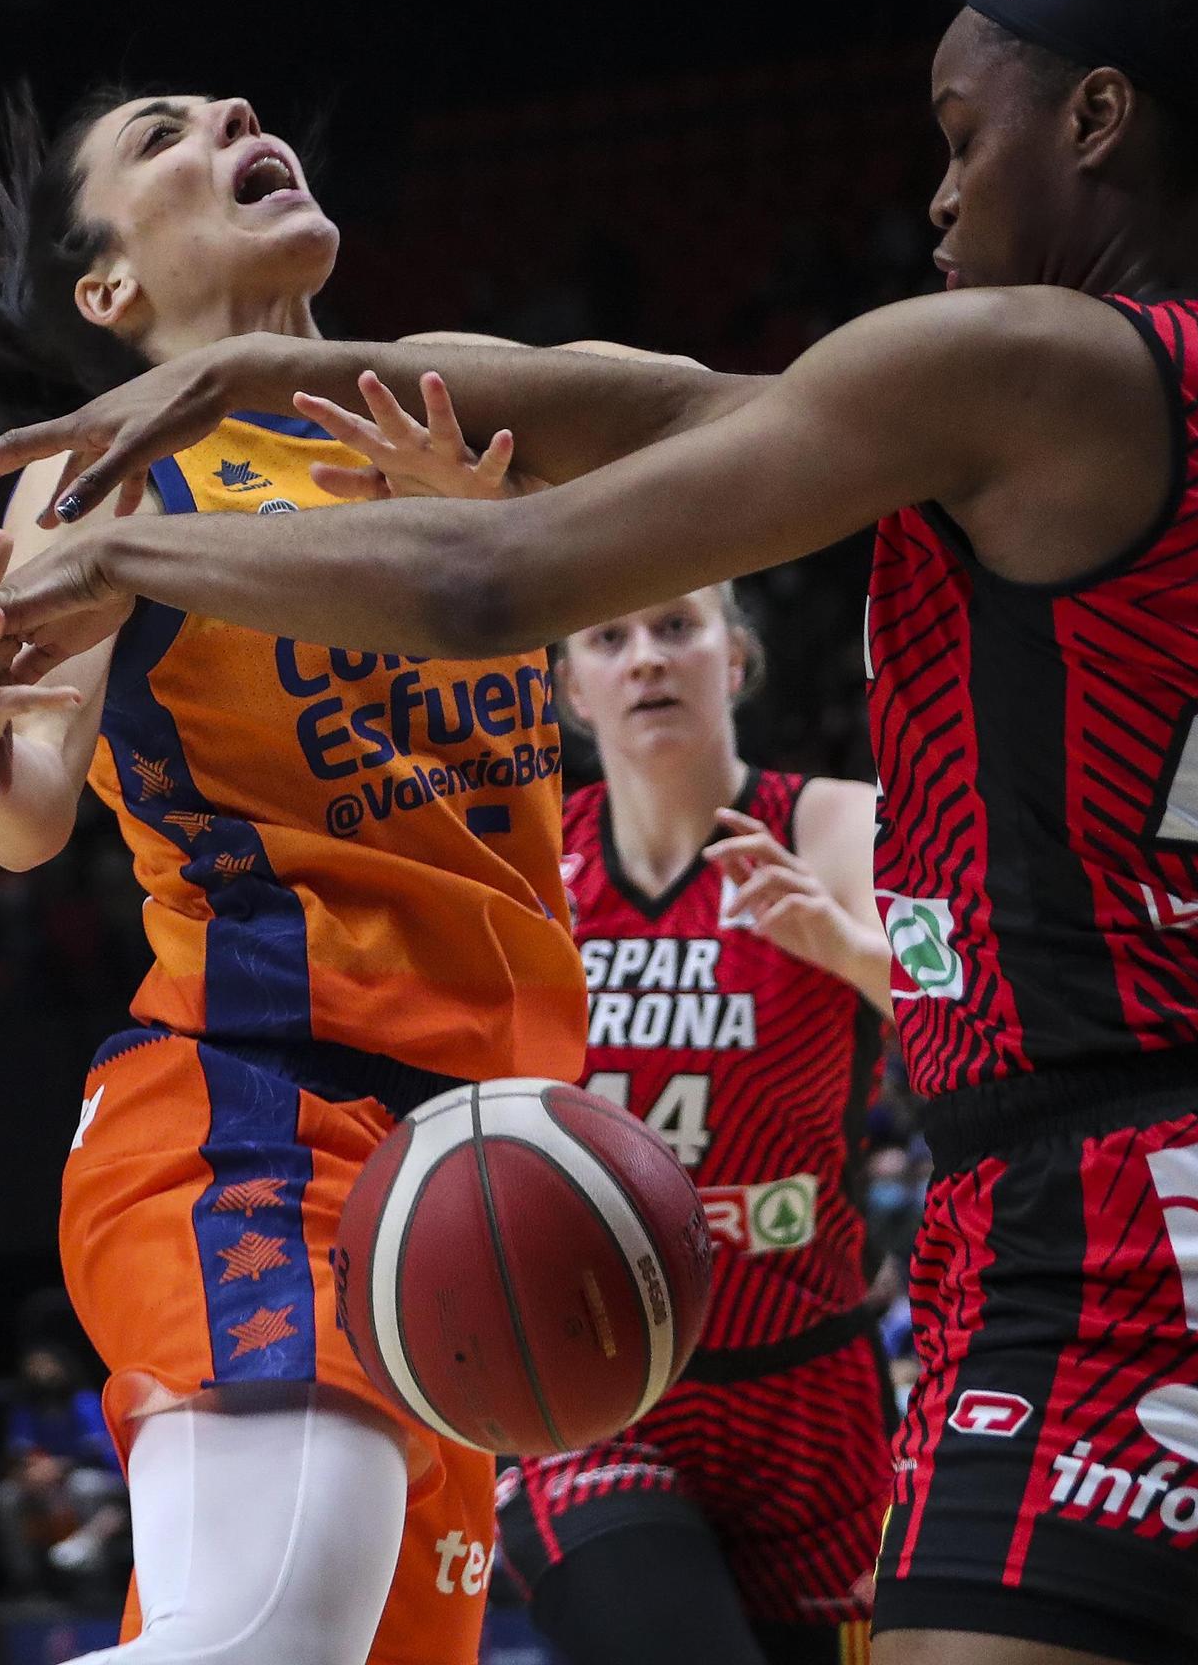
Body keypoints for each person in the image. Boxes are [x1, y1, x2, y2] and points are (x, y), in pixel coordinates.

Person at [0, 0, 1198, 1665]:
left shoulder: (1019, 363)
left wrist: (120, 548)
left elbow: (489, 569)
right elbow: (671, 399)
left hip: (1119, 1215)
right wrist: (265, 379)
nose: (934, 193)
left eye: (963, 135)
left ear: (1099, 121)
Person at [0, 86, 598, 1665]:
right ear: (109, 290)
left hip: (458, 1173)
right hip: (259, 1117)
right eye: (163, 134)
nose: (236, 113)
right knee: (269, 1640)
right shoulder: (111, 475)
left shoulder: (440, 429)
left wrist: (514, 555)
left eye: (228, 107)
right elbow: (25, 811)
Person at [498, 584, 892, 1665]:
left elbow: (979, 1013)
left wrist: (840, 944)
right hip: (592, 1392)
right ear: (569, 686)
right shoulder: (525, 866)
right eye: (608, 636)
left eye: (677, 625)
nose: (645, 658)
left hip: (816, 1396)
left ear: (736, 657)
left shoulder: (835, 823)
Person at [0, 1343, 124, 1597]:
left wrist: (58, 1467)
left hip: (101, 1478)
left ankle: (94, 1577)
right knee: (4, 1497)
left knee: (82, 1487)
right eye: (34, 1367)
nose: (41, 1373)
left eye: (47, 1366)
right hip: (45, 1483)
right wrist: (30, 1473)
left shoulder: (84, 1402)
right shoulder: (27, 1409)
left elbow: (98, 1452)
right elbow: (18, 1453)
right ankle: (27, 1582)